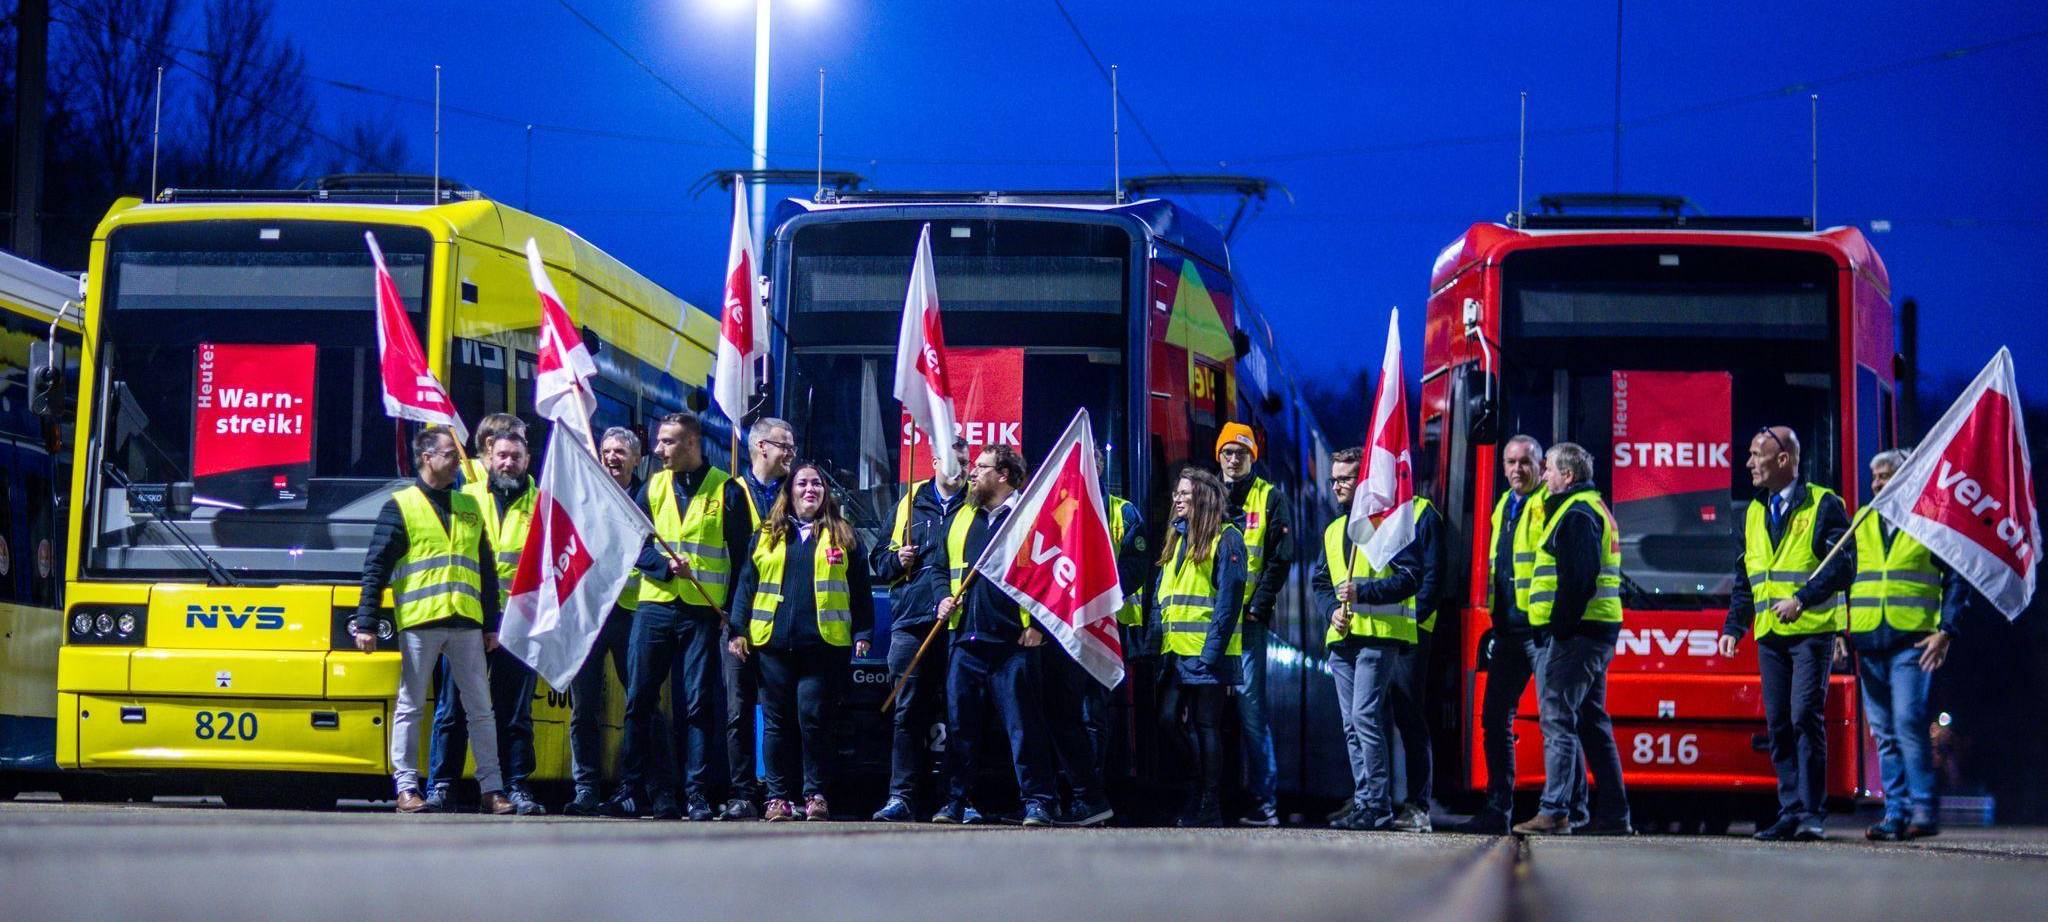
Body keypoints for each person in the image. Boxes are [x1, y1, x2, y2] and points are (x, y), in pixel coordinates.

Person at [351, 426, 516, 816]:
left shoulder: (469, 505)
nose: (459, 460)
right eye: (450, 454)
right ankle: (407, 787)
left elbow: (486, 570)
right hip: (421, 622)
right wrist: (367, 622)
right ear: (427, 457)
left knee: (481, 709)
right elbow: (376, 567)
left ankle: (492, 789)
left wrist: (491, 623)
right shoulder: (400, 505)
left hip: (466, 622)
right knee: (411, 706)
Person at [605, 412, 751, 821]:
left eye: (667, 442)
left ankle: (697, 794)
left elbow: (743, 562)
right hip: (654, 607)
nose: (658, 450)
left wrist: (735, 621)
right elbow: (631, 543)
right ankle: (631, 789)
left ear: (691, 443)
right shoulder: (653, 486)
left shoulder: (726, 490)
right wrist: (663, 567)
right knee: (640, 700)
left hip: (702, 613)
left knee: (698, 706)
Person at [1718, 426, 1854, 842]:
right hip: (1770, 634)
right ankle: (1790, 809)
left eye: (1756, 454)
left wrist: (1803, 599)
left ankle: (1812, 813)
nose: (1748, 463)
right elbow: (1747, 577)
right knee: (1777, 723)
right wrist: (1734, 626)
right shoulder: (1754, 512)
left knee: (1803, 718)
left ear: (1783, 460)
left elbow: (1843, 565)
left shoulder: (1824, 504)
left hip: (1812, 631)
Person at [727, 462, 876, 821]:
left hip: (824, 647)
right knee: (776, 723)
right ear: (789, 491)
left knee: (814, 721)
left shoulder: (845, 535)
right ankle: (777, 798)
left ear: (826, 492)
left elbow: (860, 590)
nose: (810, 489)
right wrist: (737, 630)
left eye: (817, 484)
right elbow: (747, 585)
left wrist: (863, 633)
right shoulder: (766, 534)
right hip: (772, 645)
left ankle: (816, 795)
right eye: (802, 484)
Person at [1456, 435, 1587, 834]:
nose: (1517, 470)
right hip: (1508, 631)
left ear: (1539, 465)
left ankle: (1573, 810)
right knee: (1495, 718)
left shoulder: (1546, 503)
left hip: (1540, 631)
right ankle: (1498, 809)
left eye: (1526, 462)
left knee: (1556, 719)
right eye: (1510, 462)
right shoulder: (1503, 507)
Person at [930, 445, 1060, 827]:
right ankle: (954, 801)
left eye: (981, 467)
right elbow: (939, 566)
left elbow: (1052, 575)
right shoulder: (962, 517)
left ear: (1003, 475)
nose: (972, 473)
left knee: (1024, 729)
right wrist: (942, 598)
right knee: (959, 728)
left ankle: (1038, 801)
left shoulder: (1030, 516)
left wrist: (1038, 625)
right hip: (966, 641)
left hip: (1013, 644)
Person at [1512, 442, 1632, 836]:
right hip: (1594, 631)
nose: (1543, 476)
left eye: (1548, 469)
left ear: (1568, 476)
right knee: (1592, 723)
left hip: (1576, 635)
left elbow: (1577, 580)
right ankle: (1611, 814)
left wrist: (1559, 630)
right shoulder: (1589, 508)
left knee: (1558, 719)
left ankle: (1556, 810)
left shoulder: (1577, 513)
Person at [1313, 448, 1433, 831]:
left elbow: (1411, 577)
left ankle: (1378, 803)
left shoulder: (1389, 525)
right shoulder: (1333, 531)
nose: (1337, 486)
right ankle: (1366, 800)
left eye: (1345, 478)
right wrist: (1330, 607)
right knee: (1351, 722)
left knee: (1364, 716)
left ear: (1363, 479)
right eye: (1334, 479)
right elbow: (1319, 582)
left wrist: (1363, 595)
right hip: (1344, 635)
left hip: (1379, 636)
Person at [1847, 448, 1962, 841]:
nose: (1878, 483)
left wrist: (1947, 629)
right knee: (1883, 731)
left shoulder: (1930, 521)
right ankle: (1895, 815)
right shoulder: (1861, 521)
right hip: (1868, 639)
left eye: (1886, 475)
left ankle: (1923, 811)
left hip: (1912, 641)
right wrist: (1840, 632)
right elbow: (1844, 578)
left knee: (1909, 724)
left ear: (1908, 477)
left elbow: (1956, 578)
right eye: (1875, 477)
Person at [426, 430, 544, 815]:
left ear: (528, 461)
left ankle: (515, 787)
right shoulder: (466, 499)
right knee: (453, 708)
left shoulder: (543, 505)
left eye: (515, 456)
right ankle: (442, 785)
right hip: (469, 620)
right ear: (488, 459)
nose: (507, 463)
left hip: (519, 623)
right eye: (501, 456)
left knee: (514, 712)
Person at [565, 426, 674, 815]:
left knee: (643, 705)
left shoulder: (648, 497)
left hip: (632, 613)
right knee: (584, 708)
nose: (612, 457)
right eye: (607, 451)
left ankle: (658, 788)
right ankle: (586, 789)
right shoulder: (583, 497)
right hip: (590, 615)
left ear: (635, 458)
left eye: (620, 452)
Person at [869, 439, 972, 823]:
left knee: (959, 712)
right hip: (911, 621)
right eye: (953, 460)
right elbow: (878, 560)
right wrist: (897, 558)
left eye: (965, 461)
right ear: (934, 462)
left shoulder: (974, 505)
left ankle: (958, 799)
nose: (959, 468)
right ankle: (902, 796)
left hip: (959, 623)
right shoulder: (909, 503)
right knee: (907, 712)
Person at [1153, 466, 1250, 828]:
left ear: (1204, 499)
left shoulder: (1227, 539)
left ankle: (1209, 802)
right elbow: (1164, 596)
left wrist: (1212, 654)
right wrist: (1154, 643)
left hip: (1207, 654)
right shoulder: (1177, 537)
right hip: (1175, 652)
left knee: (1204, 726)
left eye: (1184, 494)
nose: (1176, 499)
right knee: (1167, 720)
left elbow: (1228, 602)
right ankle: (1197, 786)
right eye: (1177, 493)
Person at [1215, 423, 1293, 828]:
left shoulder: (1270, 497)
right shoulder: (1207, 494)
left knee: (1251, 713)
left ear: (1252, 458)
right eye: (1227, 452)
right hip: (1207, 627)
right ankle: (1211, 801)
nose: (1233, 459)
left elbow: (1280, 559)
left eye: (1240, 453)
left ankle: (1264, 803)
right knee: (1206, 715)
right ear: (1218, 455)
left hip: (1247, 625)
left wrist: (1258, 608)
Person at [720, 416, 797, 820]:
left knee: (781, 711)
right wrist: (731, 621)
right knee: (737, 710)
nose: (791, 453)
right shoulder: (732, 493)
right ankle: (742, 792)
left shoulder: (798, 491)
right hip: (737, 621)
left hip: (782, 623)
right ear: (761, 447)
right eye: (785, 445)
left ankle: (781, 793)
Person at [459, 412, 527, 486]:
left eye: (523, 441)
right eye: (515, 439)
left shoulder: (526, 481)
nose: (522, 446)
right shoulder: (460, 474)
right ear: (490, 444)